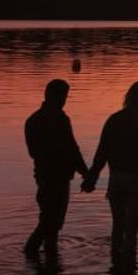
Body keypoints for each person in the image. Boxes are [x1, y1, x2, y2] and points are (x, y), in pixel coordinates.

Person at [82, 82, 138, 257]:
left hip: (117, 178)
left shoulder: (114, 119)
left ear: (127, 98)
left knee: (117, 228)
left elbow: (101, 152)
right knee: (131, 232)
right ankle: (128, 272)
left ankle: (115, 270)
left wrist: (91, 178)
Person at [24, 79, 89, 256]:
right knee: (50, 222)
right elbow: (71, 149)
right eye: (64, 96)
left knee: (49, 221)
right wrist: (85, 173)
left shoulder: (32, 120)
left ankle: (48, 264)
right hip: (58, 178)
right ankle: (34, 255)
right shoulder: (60, 119)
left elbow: (32, 152)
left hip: (42, 176)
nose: (65, 100)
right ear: (57, 96)